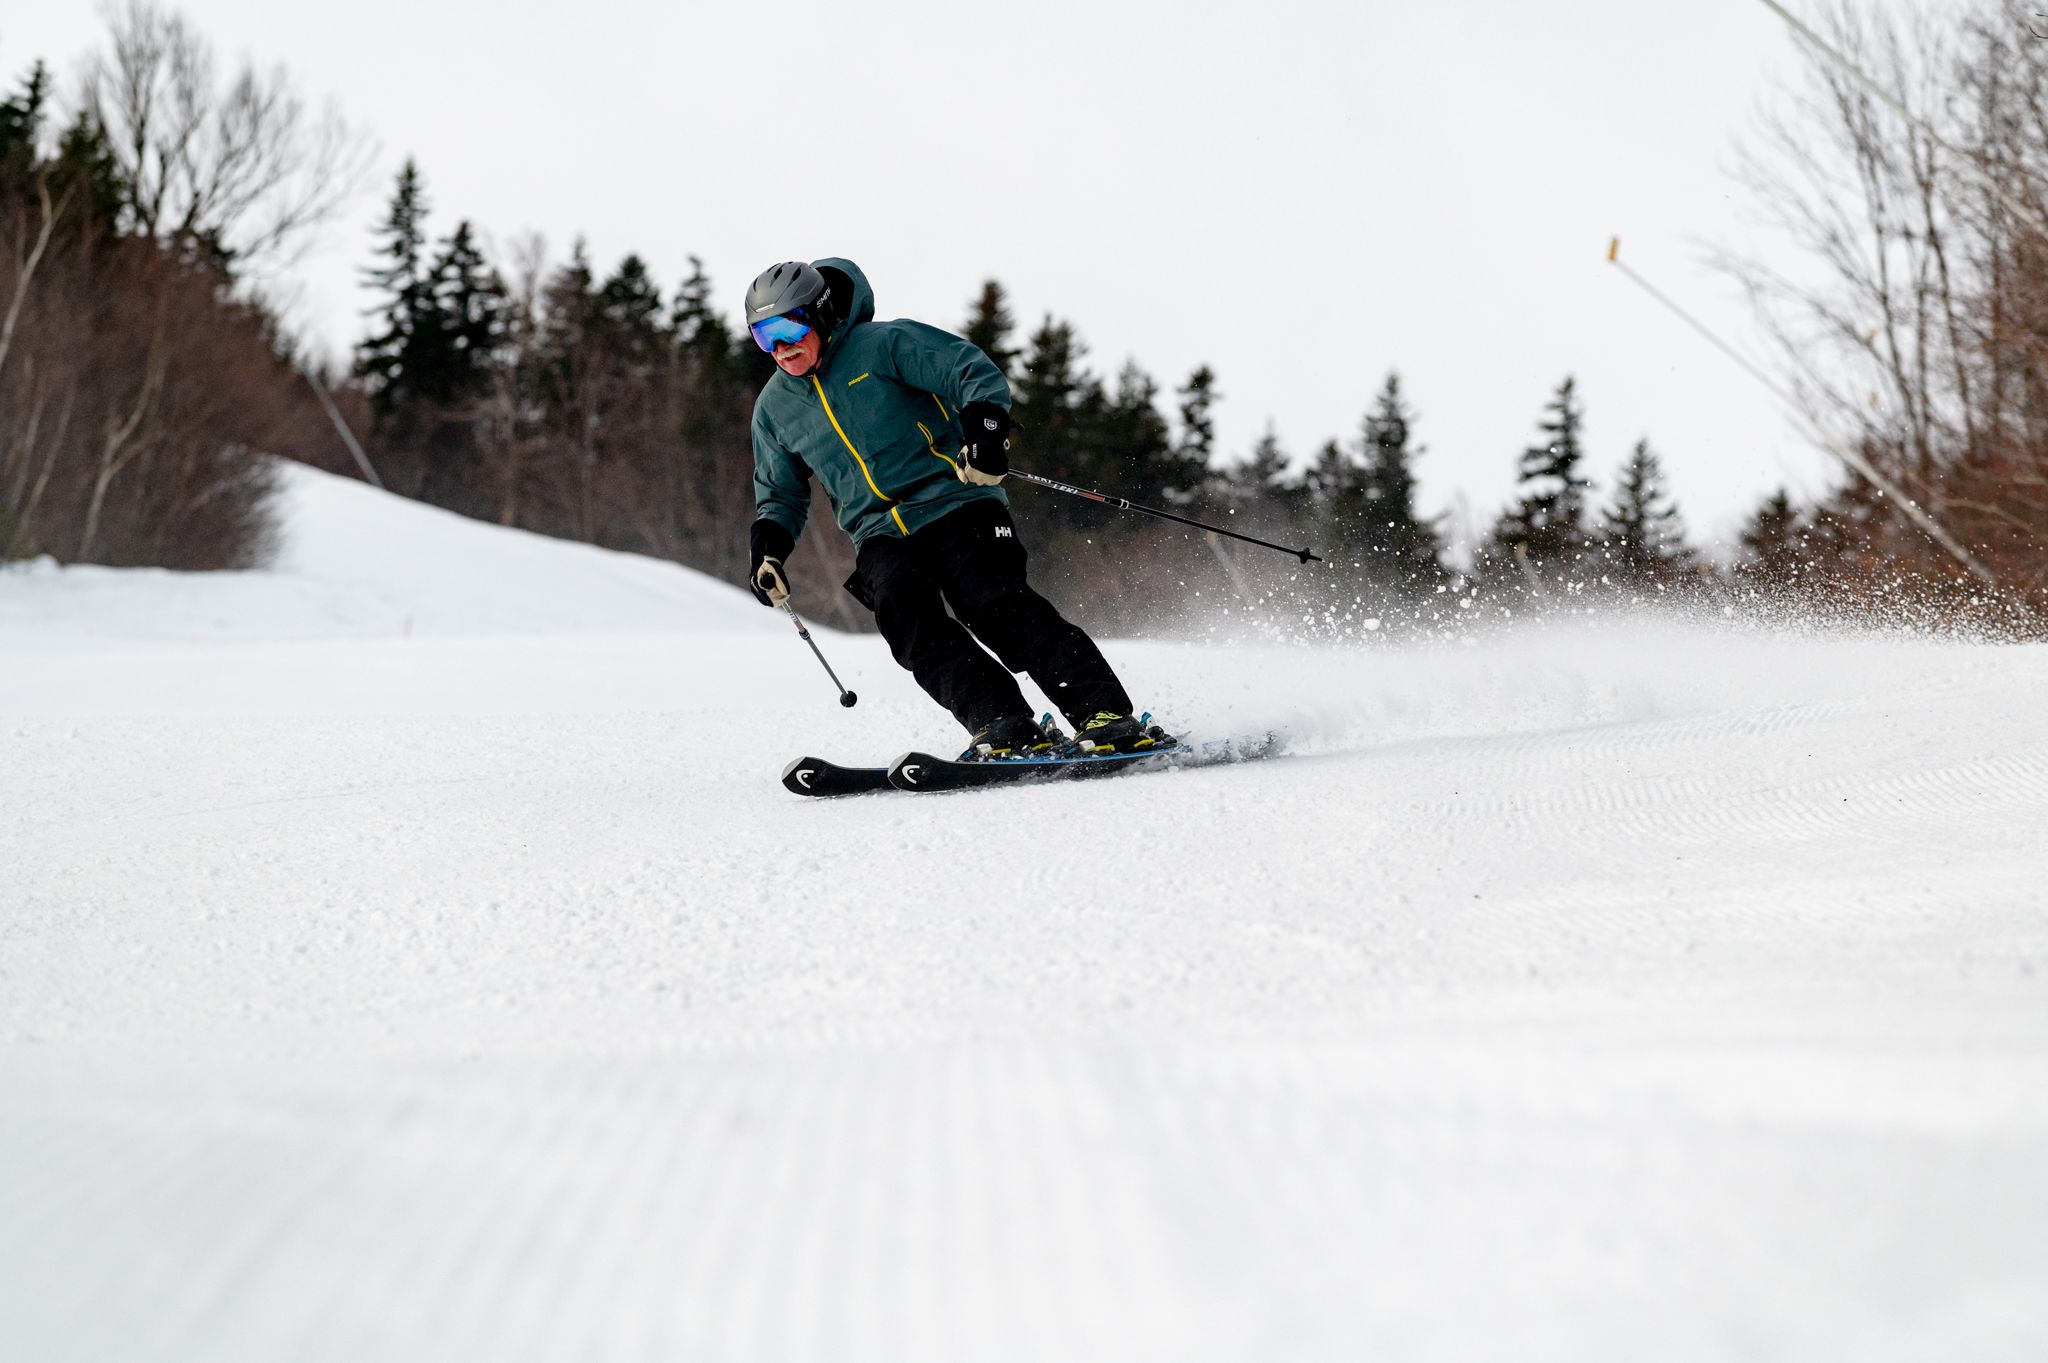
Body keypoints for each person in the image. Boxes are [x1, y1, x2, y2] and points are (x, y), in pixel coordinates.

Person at [743, 257, 1168, 759]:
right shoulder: (774, 408)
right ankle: (1003, 723)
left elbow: (968, 370)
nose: (781, 347)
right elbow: (781, 491)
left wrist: (986, 432)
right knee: (908, 621)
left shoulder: (882, 345)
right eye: (763, 336)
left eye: (788, 328)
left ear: (819, 315)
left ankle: (1106, 714)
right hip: (878, 530)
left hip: (956, 500)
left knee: (991, 603)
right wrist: (768, 549)